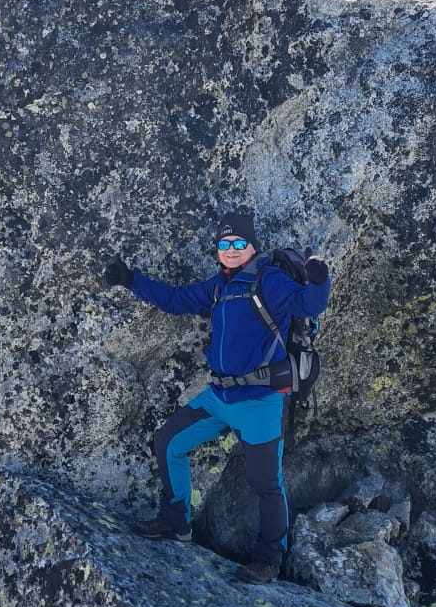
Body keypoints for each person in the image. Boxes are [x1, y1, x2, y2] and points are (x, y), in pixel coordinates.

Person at [102, 211, 331, 585]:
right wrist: (131, 280)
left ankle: (268, 559)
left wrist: (319, 280)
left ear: (252, 246)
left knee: (265, 482)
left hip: (260, 401)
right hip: (219, 396)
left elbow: (307, 305)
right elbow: (176, 300)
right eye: (224, 243)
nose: (231, 249)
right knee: (169, 442)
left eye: (239, 242)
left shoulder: (268, 279)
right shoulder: (220, 286)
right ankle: (176, 522)